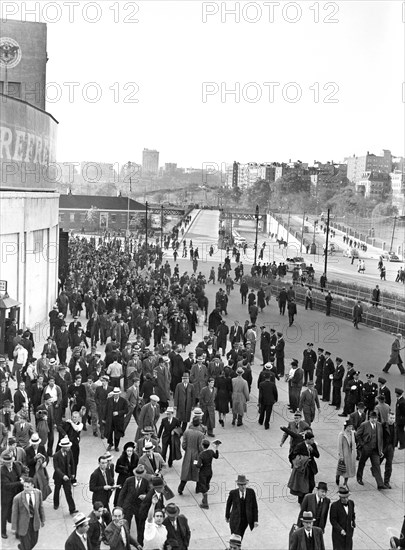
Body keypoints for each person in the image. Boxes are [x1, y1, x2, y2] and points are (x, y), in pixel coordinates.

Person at [11, 476, 45, 550]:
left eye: (27, 486)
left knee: (34, 541)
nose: (25, 489)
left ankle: (22, 547)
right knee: (27, 545)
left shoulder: (38, 493)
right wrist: (14, 528)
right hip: (23, 523)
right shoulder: (17, 498)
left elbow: (40, 507)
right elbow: (14, 514)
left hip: (34, 521)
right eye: (24, 486)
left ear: (32, 485)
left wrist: (42, 520)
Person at [356, 411, 387, 489]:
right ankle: (359, 478)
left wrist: (380, 449)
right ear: (369, 418)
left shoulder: (379, 425)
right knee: (362, 463)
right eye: (372, 418)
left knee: (376, 465)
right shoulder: (364, 425)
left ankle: (380, 484)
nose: (374, 420)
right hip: (366, 448)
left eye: (375, 418)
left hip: (375, 450)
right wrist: (362, 444)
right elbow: (357, 434)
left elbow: (381, 438)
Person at [288, 431, 320, 504]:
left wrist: (312, 450)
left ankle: (307, 497)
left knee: (311, 484)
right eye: (311, 439)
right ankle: (301, 500)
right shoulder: (300, 446)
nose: (313, 441)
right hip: (302, 468)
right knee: (302, 485)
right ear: (307, 439)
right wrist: (302, 460)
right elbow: (292, 455)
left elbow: (317, 455)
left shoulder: (313, 445)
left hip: (311, 467)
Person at [225, 474, 258, 539]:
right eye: (241, 485)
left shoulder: (251, 492)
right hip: (235, 519)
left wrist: (255, 520)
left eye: (244, 484)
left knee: (240, 536)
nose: (243, 487)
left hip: (245, 520)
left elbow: (254, 507)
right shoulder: (233, 493)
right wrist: (227, 516)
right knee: (235, 537)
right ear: (238, 485)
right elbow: (228, 505)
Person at [118, 464, 149, 533]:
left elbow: (149, 493)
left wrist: (145, 496)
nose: (138, 477)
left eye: (140, 476)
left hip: (139, 507)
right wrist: (119, 506)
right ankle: (127, 540)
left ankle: (139, 542)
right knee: (126, 526)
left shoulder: (145, 482)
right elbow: (122, 493)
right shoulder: (129, 480)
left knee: (140, 527)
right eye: (137, 476)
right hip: (128, 506)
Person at [178, 417, 204, 495]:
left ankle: (181, 488)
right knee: (197, 471)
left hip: (188, 454)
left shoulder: (187, 432)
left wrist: (187, 450)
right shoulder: (200, 434)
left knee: (186, 471)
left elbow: (184, 445)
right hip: (196, 455)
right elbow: (200, 447)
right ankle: (198, 488)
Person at [1, 452, 24, 539]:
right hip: (6, 495)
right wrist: (19, 482)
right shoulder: (2, 471)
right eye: (8, 462)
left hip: (16, 493)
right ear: (4, 463)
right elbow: (7, 485)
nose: (10, 463)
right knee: (4, 513)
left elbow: (24, 470)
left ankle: (17, 531)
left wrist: (22, 477)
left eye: (11, 461)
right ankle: (3, 531)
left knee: (17, 511)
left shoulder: (16, 465)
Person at [52, 436, 78, 515]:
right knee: (57, 490)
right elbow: (56, 468)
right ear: (63, 447)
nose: (69, 447)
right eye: (67, 446)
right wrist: (63, 476)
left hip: (68, 476)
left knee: (68, 493)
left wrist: (73, 473)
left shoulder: (69, 452)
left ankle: (72, 509)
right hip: (59, 477)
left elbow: (72, 463)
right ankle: (56, 504)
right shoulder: (56, 455)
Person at [196, 439, 219, 509]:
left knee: (203, 487)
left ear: (202, 446)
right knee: (206, 484)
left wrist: (194, 462)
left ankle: (205, 503)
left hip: (203, 472)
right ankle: (204, 499)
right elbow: (216, 456)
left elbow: (198, 465)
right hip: (209, 471)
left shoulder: (201, 455)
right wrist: (216, 448)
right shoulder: (211, 452)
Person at [104, 387, 129, 452]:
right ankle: (110, 444)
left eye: (117, 394)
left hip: (119, 421)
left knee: (117, 434)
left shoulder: (123, 401)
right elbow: (106, 409)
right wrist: (104, 418)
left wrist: (118, 412)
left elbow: (126, 410)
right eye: (114, 394)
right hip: (110, 420)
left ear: (119, 394)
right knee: (109, 433)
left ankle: (116, 446)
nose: (115, 395)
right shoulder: (109, 400)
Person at [336, 421, 356, 488]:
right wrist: (341, 455)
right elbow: (339, 446)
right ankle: (337, 477)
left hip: (350, 454)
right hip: (344, 454)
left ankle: (345, 483)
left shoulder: (352, 433)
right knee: (341, 468)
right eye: (349, 426)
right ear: (346, 427)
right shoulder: (342, 434)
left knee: (348, 470)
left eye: (351, 426)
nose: (350, 428)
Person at [382, 411, 397, 489]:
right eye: (391, 418)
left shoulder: (395, 426)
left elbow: (396, 436)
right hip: (383, 447)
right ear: (388, 418)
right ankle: (373, 470)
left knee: (389, 465)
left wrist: (394, 446)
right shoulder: (383, 425)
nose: (392, 419)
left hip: (391, 447)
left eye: (393, 418)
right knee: (378, 462)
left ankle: (386, 482)